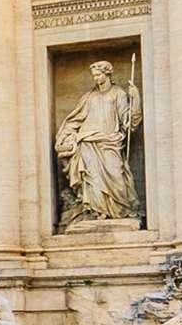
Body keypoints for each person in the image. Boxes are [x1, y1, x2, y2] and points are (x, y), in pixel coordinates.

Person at [55, 60, 142, 224]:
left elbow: (128, 121)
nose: (95, 78)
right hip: (88, 142)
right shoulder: (89, 97)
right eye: (94, 75)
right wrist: (65, 136)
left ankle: (120, 211)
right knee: (92, 178)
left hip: (110, 142)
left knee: (116, 176)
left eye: (98, 75)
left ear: (107, 74)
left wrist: (135, 98)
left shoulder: (118, 94)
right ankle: (96, 212)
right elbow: (75, 120)